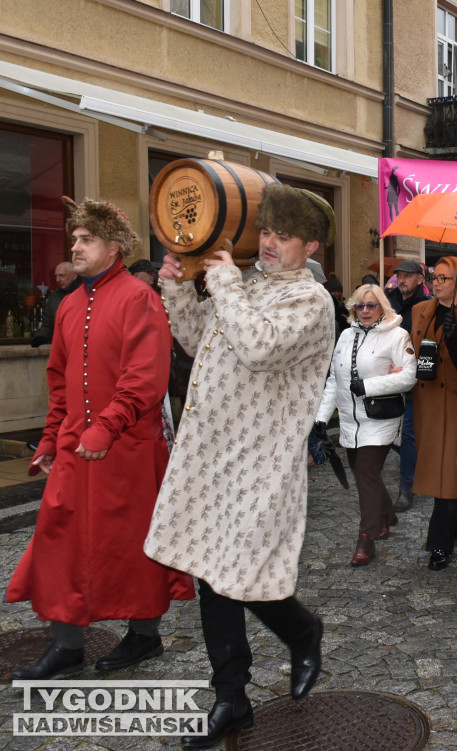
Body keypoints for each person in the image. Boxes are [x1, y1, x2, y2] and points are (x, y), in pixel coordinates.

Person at [145, 185, 336, 748]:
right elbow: (196, 335)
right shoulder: (248, 285)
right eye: (268, 232)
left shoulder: (311, 301)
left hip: (260, 460)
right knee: (212, 572)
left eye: (284, 236)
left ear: (311, 246)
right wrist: (179, 287)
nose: (270, 243)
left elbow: (257, 346)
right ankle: (232, 696)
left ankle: (302, 631)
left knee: (242, 572)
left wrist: (223, 282)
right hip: (210, 453)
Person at [7, 197, 194, 680]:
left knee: (131, 546)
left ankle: (144, 636)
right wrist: (50, 439)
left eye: (86, 239)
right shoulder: (70, 304)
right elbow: (59, 380)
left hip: (129, 450)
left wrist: (107, 425)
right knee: (59, 542)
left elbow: (146, 378)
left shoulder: (139, 297)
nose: (76, 246)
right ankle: (66, 645)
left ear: (113, 247)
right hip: (75, 447)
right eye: (74, 238)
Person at [316, 284, 416, 567]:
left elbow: (410, 376)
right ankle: (387, 516)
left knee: (366, 472)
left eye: (372, 305)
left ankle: (366, 538)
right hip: (350, 421)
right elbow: (334, 381)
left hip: (381, 419)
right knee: (365, 476)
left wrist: (369, 386)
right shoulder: (346, 336)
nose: (366, 310)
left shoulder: (397, 335)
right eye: (360, 305)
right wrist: (322, 418)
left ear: (382, 306)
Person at [410, 255, 457, 571]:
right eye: (434, 277)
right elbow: (410, 349)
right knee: (440, 469)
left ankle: (440, 544)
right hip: (428, 402)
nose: (436, 282)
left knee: (449, 470)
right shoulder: (420, 311)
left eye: (443, 278)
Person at [386, 259, 430, 512]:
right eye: (399, 275)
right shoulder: (388, 302)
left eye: (407, 275)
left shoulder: (426, 305)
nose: (401, 279)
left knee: (410, 434)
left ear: (419, 279)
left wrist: (412, 368)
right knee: (391, 432)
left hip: (414, 377)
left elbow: (428, 342)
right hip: (388, 375)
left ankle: (406, 488)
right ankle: (418, 465)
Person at [30, 261, 79, 346]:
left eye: (61, 276)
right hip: (61, 346)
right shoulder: (54, 297)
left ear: (74, 276)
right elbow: (47, 324)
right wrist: (40, 337)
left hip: (81, 346)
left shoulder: (85, 293)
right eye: (56, 276)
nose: (57, 280)